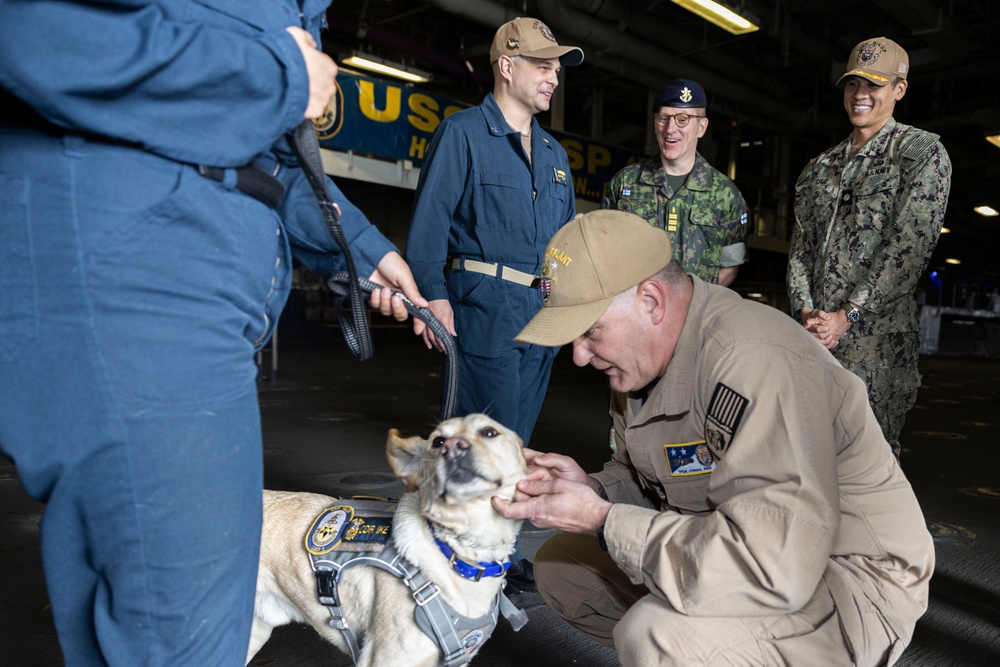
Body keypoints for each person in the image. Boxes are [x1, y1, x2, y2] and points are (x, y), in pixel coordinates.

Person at [0, 3, 427, 665]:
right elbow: (33, 29)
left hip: (160, 284)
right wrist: (274, 75)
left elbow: (260, 160)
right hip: (139, 277)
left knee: (134, 625)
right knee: (187, 636)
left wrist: (360, 247)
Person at [493, 210, 934, 666]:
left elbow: (775, 566)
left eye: (589, 331)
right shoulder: (640, 366)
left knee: (658, 637)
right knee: (565, 568)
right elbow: (652, 475)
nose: (580, 357)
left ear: (650, 301)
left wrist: (604, 521)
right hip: (745, 543)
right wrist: (595, 491)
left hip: (846, 580)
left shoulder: (750, 359)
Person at [405, 17, 583, 592]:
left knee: (515, 447)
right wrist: (432, 297)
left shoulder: (555, 154)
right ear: (507, 65)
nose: (554, 77)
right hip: (483, 308)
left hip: (541, 315)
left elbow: (566, 244)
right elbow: (429, 226)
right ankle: (443, 560)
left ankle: (496, 559)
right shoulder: (463, 133)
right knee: (470, 446)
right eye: (543, 64)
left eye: (557, 67)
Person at [787, 37, 951, 460]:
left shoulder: (920, 154)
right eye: (852, 84)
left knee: (869, 463)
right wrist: (806, 312)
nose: (860, 95)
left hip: (875, 347)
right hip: (816, 339)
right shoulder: (819, 168)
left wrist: (849, 314)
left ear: (900, 88)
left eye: (873, 85)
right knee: (807, 454)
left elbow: (909, 249)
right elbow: (801, 248)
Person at [603, 78, 749, 286]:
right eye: (663, 118)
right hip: (634, 312)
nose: (670, 128)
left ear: (701, 127)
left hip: (695, 314)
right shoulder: (625, 182)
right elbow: (605, 249)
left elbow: (729, 266)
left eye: (682, 119)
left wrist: (690, 303)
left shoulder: (726, 195)